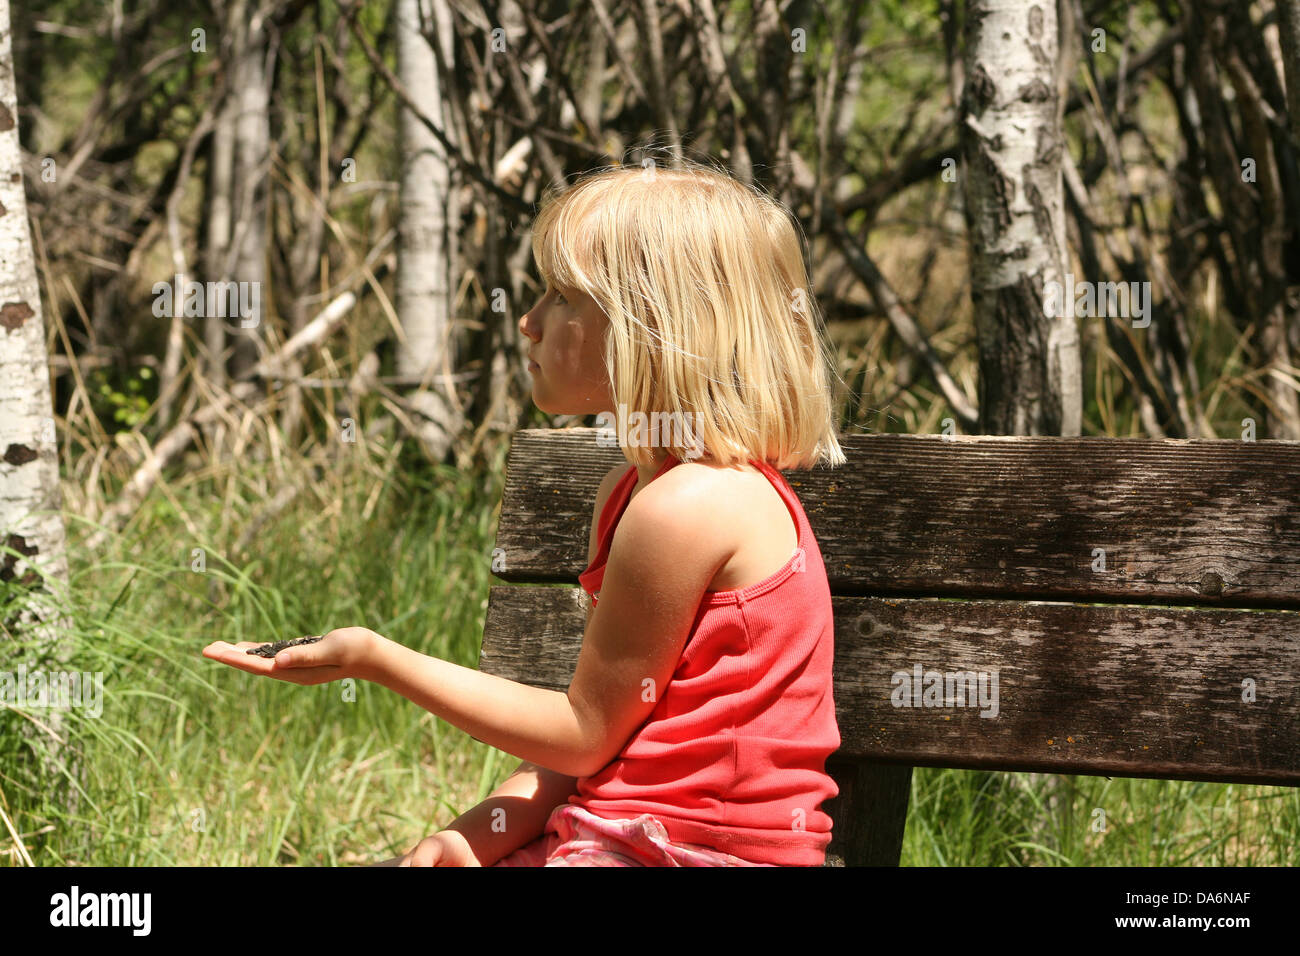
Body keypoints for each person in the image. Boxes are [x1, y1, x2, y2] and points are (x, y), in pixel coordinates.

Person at [204, 157, 847, 866]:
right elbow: (604, 747)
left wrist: (373, 658)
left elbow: (583, 732)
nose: (529, 322)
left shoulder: (692, 507)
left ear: (657, 327)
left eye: (563, 296)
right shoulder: (635, 493)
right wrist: (472, 837)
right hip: (619, 839)